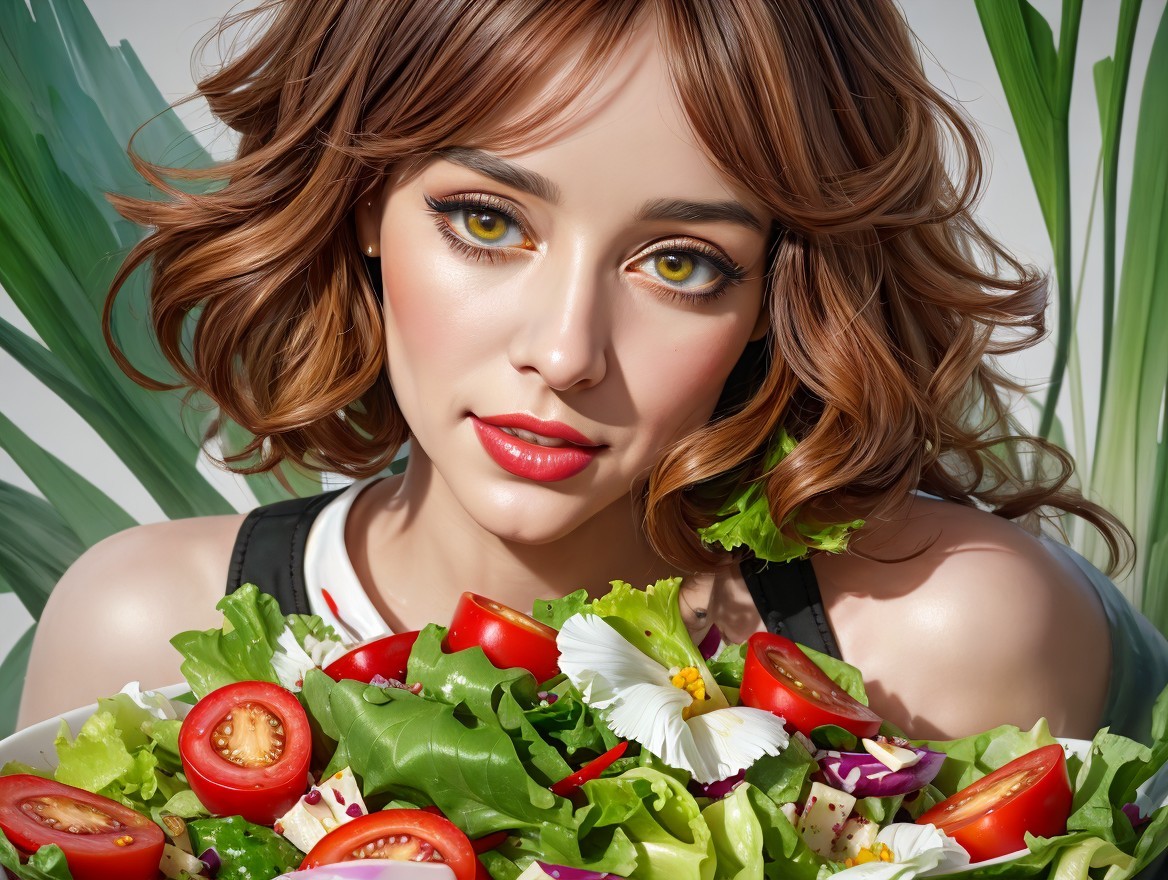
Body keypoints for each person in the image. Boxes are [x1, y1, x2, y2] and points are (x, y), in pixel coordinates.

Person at [17, 0, 1168, 742]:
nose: (565, 352)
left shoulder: (938, 640)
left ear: (778, 295)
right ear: (364, 200)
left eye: (680, 262)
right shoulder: (141, 637)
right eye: (484, 220)